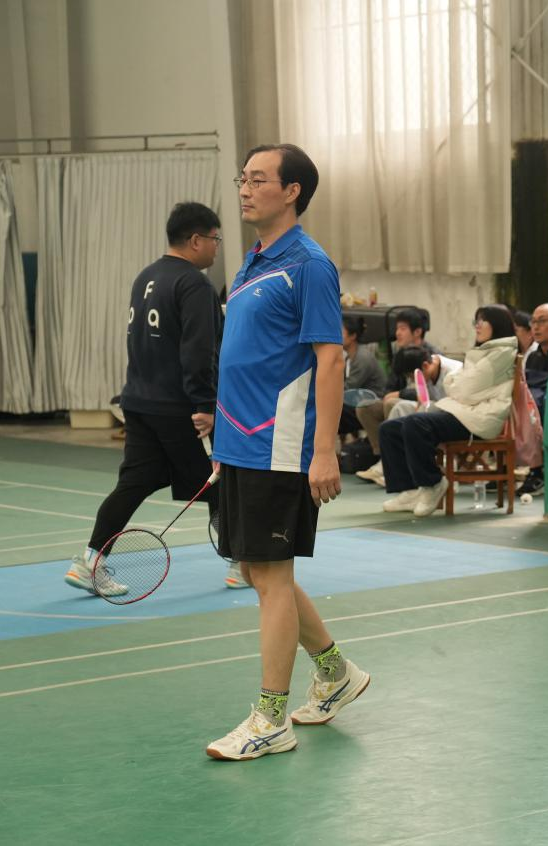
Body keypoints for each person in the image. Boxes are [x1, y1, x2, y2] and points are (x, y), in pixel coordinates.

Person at [205, 143, 370, 761]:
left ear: (292, 190)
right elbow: (246, 357)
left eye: (258, 179)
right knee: (254, 569)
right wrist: (221, 437)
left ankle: (270, 719)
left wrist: (323, 452)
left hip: (280, 443)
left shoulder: (309, 265)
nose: (245, 189)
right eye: (243, 179)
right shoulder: (252, 262)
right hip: (239, 441)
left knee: (272, 577)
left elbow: (330, 359)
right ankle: (335, 671)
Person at [63, 202, 246, 593]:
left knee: (137, 481)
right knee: (220, 480)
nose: (216, 248)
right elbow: (198, 352)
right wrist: (205, 405)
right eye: (215, 240)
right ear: (195, 240)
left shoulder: (146, 277)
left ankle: (90, 562)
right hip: (180, 408)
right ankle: (240, 563)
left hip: (138, 401)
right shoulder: (195, 285)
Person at [378, 305, 518, 516]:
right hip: (464, 411)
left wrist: (455, 382)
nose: (477, 326)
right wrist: (459, 385)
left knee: (416, 424)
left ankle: (432, 483)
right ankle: (409, 490)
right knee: (389, 429)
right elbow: (464, 387)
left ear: (497, 325)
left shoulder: (501, 353)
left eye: (482, 321)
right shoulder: (484, 351)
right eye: (476, 321)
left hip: (480, 419)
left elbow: (463, 389)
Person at [354, 345, 461, 486]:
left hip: (454, 416)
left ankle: (409, 469)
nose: (412, 380)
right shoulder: (422, 370)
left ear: (425, 365)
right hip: (433, 412)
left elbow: (457, 406)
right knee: (401, 407)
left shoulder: (454, 372)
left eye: (411, 377)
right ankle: (387, 465)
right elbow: (422, 399)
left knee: (420, 416)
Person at [518, 302, 548, 497]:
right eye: (533, 322)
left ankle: (538, 471)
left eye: (542, 321)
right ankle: (529, 469)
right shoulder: (532, 357)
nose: (536, 327)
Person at [339, 316, 387, 437]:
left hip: (372, 404)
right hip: (358, 400)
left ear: (353, 336)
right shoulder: (349, 356)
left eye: (341, 332)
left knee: (332, 408)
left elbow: (348, 388)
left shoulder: (362, 358)